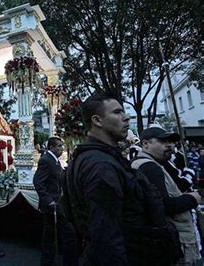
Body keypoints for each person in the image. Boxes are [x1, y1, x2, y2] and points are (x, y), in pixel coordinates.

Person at [64, 93, 180, 265]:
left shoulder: (103, 158)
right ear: (97, 120)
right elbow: (106, 237)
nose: (126, 117)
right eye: (117, 112)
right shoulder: (100, 165)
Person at [131, 127, 201, 265]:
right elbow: (163, 206)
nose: (170, 145)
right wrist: (193, 198)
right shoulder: (149, 167)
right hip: (175, 242)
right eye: (163, 141)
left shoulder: (151, 164)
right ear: (145, 144)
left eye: (172, 141)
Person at [33, 137, 78, 266]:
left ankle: (48, 261)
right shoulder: (46, 160)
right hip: (53, 205)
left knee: (50, 236)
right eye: (59, 146)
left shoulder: (55, 160)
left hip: (57, 203)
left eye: (61, 146)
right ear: (51, 147)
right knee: (67, 235)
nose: (62, 148)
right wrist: (49, 200)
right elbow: (38, 182)